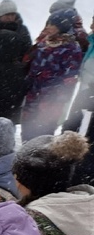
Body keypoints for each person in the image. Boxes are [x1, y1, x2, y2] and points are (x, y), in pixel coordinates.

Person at [21, 9, 84, 140]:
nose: (48, 27)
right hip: (33, 93)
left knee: (43, 134)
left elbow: (70, 78)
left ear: (62, 27)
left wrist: (57, 97)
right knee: (26, 131)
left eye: (52, 24)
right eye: (48, 23)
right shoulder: (43, 42)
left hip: (51, 99)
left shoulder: (71, 48)